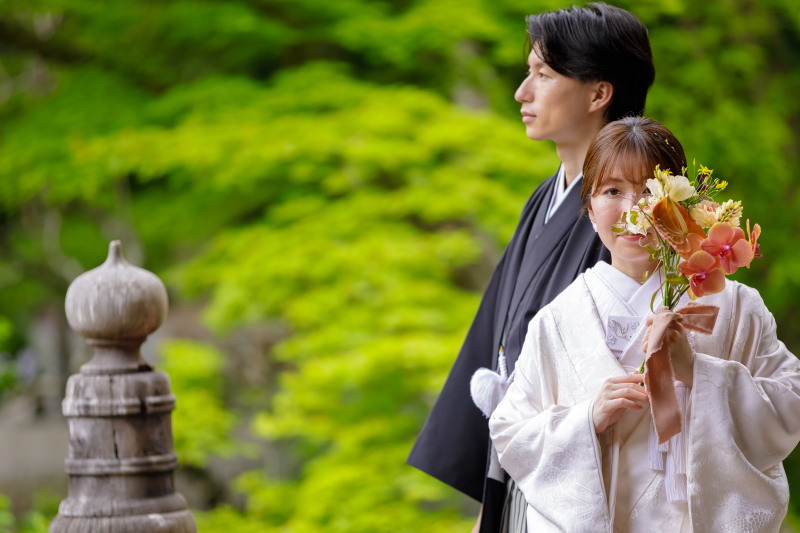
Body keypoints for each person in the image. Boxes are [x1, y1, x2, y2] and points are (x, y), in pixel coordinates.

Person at [406, 4, 656, 532]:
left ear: (598, 93)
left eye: (543, 74)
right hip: (532, 463)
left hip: (594, 481)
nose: (523, 92)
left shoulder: (635, 217)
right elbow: (500, 347)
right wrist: (491, 492)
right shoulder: (547, 196)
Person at [489, 116, 800, 532]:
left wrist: (699, 374)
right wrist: (587, 420)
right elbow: (511, 432)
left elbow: (790, 404)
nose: (633, 209)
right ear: (589, 208)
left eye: (650, 191)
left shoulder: (736, 305)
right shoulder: (556, 322)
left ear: (680, 205)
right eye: (612, 190)